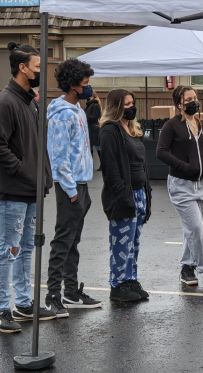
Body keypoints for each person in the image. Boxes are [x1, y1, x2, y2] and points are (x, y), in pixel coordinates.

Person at [0, 42, 56, 333]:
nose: (39, 72)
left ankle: (23, 303)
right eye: (36, 68)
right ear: (22, 68)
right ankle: (2, 309)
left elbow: (38, 145)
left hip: (32, 190)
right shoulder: (6, 101)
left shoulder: (31, 102)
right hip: (13, 192)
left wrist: (44, 177)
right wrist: (21, 171)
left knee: (25, 250)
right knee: (8, 250)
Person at [45, 58, 102, 317]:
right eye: (85, 83)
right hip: (70, 187)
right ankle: (53, 295)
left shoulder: (78, 110)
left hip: (82, 184)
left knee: (73, 241)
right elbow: (59, 157)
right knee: (63, 240)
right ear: (72, 85)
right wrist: (70, 191)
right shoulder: (61, 115)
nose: (88, 87)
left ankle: (70, 290)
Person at [157, 85, 203, 286]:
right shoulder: (171, 126)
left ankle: (187, 267)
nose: (193, 102)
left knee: (193, 229)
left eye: (195, 98)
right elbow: (161, 152)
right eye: (188, 99)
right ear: (179, 103)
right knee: (196, 227)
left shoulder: (202, 124)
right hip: (182, 185)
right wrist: (185, 167)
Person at [99, 89, 152, 302]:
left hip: (139, 193)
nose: (131, 107)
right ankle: (118, 284)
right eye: (126, 104)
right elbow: (111, 170)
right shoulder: (110, 131)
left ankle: (131, 279)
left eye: (132, 103)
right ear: (116, 107)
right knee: (121, 243)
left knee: (134, 242)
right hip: (122, 196)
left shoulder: (132, 129)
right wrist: (123, 197)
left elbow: (141, 165)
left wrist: (146, 197)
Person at [85, 91, 102, 171]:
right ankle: (90, 165)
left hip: (93, 129)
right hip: (90, 128)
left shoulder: (95, 105)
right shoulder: (90, 104)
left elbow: (95, 117)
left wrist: (85, 117)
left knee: (97, 147)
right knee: (90, 147)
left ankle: (102, 164)